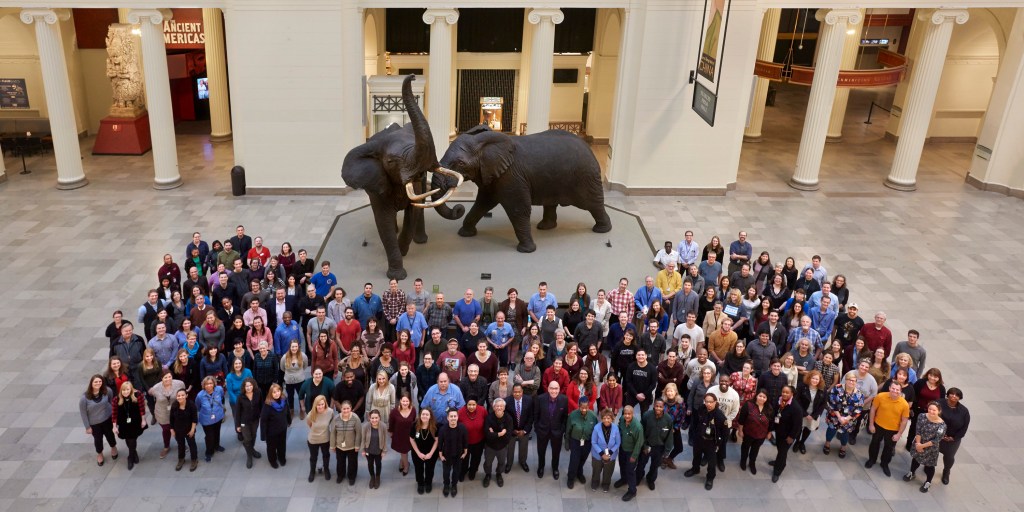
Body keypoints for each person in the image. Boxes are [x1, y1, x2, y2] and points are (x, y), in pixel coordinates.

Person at [865, 381, 910, 477]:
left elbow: (904, 421)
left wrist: (899, 434)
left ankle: (884, 464)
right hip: (878, 425)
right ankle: (871, 460)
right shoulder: (880, 396)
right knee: (874, 444)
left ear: (900, 391)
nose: (895, 391)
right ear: (889, 388)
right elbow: (873, 409)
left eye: (897, 389)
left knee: (889, 448)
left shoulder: (904, 404)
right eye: (893, 388)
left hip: (893, 430)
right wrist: (871, 424)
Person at [903, 401, 946, 492]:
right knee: (915, 459)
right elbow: (918, 430)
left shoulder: (942, 425)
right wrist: (918, 445)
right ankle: (912, 473)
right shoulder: (922, 416)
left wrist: (922, 446)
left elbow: (936, 440)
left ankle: (928, 482)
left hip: (930, 448)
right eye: (930, 409)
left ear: (939, 411)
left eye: (934, 410)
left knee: (929, 466)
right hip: (919, 442)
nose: (931, 411)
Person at [685, 393, 725, 490]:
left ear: (715, 402)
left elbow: (724, 432)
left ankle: (710, 478)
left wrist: (718, 444)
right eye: (707, 401)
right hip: (699, 439)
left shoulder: (719, 416)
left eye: (711, 402)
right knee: (696, 456)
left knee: (711, 463)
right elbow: (695, 422)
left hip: (711, 442)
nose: (708, 404)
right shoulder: (702, 409)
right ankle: (695, 469)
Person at [636, 398, 673, 491]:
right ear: (653, 406)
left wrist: (667, 450)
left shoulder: (668, 419)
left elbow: (669, 436)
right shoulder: (646, 416)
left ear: (663, 407)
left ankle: (650, 479)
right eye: (656, 406)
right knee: (641, 464)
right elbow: (641, 432)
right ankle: (638, 477)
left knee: (655, 465)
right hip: (647, 445)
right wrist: (644, 446)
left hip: (659, 447)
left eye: (660, 407)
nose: (658, 408)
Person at [534, 381, 569, 480]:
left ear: (559, 389)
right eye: (552, 388)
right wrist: (537, 428)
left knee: (556, 452)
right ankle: (541, 467)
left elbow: (565, 417)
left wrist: (562, 430)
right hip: (542, 431)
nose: (554, 391)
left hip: (557, 432)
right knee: (541, 451)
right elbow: (535, 415)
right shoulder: (540, 398)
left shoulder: (564, 399)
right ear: (548, 389)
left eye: (556, 388)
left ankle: (555, 468)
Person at [80, 375, 118, 466]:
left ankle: (113, 448)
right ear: (91, 383)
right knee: (98, 439)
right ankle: (100, 454)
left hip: (107, 419)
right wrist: (87, 427)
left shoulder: (107, 391)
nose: (98, 383)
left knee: (110, 435)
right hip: (95, 423)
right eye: (96, 382)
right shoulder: (84, 398)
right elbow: (83, 413)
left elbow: (111, 401)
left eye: (100, 381)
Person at [769, 385, 803, 483]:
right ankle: (778, 462)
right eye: (783, 392)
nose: (784, 394)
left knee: (782, 453)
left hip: (788, 435)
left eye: (787, 392)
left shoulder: (796, 408)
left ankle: (777, 471)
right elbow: (774, 414)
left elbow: (797, 425)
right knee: (780, 449)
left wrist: (792, 437)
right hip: (779, 432)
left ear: (792, 394)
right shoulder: (778, 401)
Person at [111, 381, 147, 470]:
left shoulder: (138, 395)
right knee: (128, 439)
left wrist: (143, 420)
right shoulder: (116, 399)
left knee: (132, 439)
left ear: (131, 390)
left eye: (127, 389)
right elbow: (114, 414)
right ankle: (133, 453)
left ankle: (130, 457)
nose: (125, 392)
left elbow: (142, 409)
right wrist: (114, 426)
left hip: (135, 422)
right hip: (123, 423)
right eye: (123, 390)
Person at [735, 388, 772, 474]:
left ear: (766, 399)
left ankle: (752, 463)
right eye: (760, 396)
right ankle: (743, 461)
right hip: (748, 433)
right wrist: (740, 431)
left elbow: (771, 422)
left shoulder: (769, 408)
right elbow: (741, 419)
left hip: (761, 435)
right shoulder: (748, 405)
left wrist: (769, 433)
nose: (761, 398)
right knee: (745, 448)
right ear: (756, 396)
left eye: (764, 397)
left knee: (755, 450)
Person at [613, 405, 644, 501]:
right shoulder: (622, 419)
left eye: (629, 414)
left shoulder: (637, 427)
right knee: (622, 465)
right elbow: (619, 429)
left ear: (633, 414)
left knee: (630, 471)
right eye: (625, 413)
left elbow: (639, 443)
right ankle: (623, 479)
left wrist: (634, 456)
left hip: (631, 452)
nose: (626, 416)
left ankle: (632, 491)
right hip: (622, 449)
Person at [939, 388, 969, 485]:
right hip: (937, 436)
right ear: (947, 395)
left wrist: (954, 438)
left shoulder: (964, 411)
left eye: (957, 395)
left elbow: (964, 427)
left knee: (949, 457)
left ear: (960, 398)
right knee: (931, 452)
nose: (954, 396)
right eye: (951, 394)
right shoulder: (938, 403)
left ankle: (946, 471)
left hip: (952, 439)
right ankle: (928, 466)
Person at [482, 398, 514, 488]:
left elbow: (508, 436)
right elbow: (487, 434)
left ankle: (498, 474)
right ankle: (488, 475)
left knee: (501, 462)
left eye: (501, 406)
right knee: (488, 463)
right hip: (490, 446)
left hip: (502, 447)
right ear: (493, 407)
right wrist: (500, 434)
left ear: (504, 408)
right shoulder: (489, 418)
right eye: (497, 406)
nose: (499, 408)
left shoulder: (508, 419)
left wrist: (493, 433)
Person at [329, 400, 363, 485]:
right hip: (339, 446)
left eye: (348, 408)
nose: (346, 410)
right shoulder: (336, 419)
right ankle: (340, 475)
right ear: (341, 409)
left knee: (352, 463)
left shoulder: (355, 418)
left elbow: (358, 433)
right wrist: (332, 445)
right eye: (344, 409)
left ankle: (352, 477)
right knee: (340, 462)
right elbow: (333, 432)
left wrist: (357, 445)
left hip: (352, 446)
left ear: (351, 408)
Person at [794, 370, 828, 454]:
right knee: (798, 429)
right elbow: (797, 400)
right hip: (801, 413)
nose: (815, 381)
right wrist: (805, 414)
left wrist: (813, 415)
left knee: (808, 428)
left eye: (817, 379)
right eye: (813, 378)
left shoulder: (823, 389)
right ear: (809, 378)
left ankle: (802, 443)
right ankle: (797, 442)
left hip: (813, 414)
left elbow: (823, 403)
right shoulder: (802, 386)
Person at [233, 377, 262, 468]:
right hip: (244, 422)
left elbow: (261, 405)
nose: (248, 388)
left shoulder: (258, 393)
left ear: (253, 385)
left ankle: (252, 450)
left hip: (255, 420)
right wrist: (237, 425)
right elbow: (237, 412)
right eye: (246, 386)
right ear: (244, 387)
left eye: (250, 385)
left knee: (253, 436)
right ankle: (249, 456)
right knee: (247, 439)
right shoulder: (240, 397)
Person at [590, 408, 621, 493]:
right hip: (597, 454)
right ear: (601, 418)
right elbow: (594, 442)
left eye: (608, 418)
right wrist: (601, 454)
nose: (606, 420)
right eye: (604, 418)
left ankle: (606, 484)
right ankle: (595, 483)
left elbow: (618, 443)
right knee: (596, 470)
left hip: (611, 455)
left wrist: (610, 453)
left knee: (608, 471)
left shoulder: (615, 429)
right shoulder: (596, 428)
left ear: (612, 419)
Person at [438, 408, 468, 496]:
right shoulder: (443, 429)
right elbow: (440, 443)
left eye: (455, 416)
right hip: (446, 455)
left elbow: (465, 441)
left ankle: (454, 485)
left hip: (458, 455)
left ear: (457, 417)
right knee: (446, 472)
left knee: (456, 472)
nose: (453, 418)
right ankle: (446, 485)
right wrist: (440, 455)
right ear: (448, 418)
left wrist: (465, 452)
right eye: (451, 416)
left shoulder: (462, 428)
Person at [195, 376, 225, 462]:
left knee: (217, 432)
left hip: (218, 416)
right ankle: (209, 451)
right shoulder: (200, 395)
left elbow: (222, 398)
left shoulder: (219, 389)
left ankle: (217, 446)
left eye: (211, 383)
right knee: (209, 436)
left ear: (214, 384)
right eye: (206, 384)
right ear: (203, 385)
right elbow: (198, 406)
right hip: (206, 419)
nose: (209, 385)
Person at [306, 395, 335, 482]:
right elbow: (310, 425)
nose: (320, 406)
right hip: (313, 439)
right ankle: (312, 471)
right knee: (313, 457)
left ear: (325, 403)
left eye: (322, 404)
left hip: (325, 439)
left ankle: (326, 469)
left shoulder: (330, 412)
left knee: (326, 455)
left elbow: (331, 423)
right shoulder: (311, 414)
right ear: (315, 405)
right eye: (318, 405)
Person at [507, 384, 534, 473]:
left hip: (524, 429)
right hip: (512, 430)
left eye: (519, 392)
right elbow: (506, 419)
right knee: (510, 448)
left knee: (523, 447)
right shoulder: (507, 401)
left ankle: (523, 462)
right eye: (515, 392)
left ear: (522, 392)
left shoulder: (529, 400)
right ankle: (509, 463)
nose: (517, 394)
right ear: (512, 392)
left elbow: (530, 417)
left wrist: (525, 430)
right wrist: (512, 430)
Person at [457, 398, 486, 482]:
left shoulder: (482, 410)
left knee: (476, 458)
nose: (471, 407)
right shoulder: (461, 412)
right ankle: (462, 472)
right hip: (464, 443)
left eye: (473, 405)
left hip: (478, 441)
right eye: (469, 405)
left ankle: (472, 472)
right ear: (466, 404)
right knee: (463, 459)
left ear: (477, 404)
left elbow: (486, 421)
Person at [389, 394, 417, 476]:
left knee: (404, 451)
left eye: (407, 401)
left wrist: (416, 435)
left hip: (409, 435)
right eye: (403, 401)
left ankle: (404, 464)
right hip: (399, 434)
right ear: (400, 401)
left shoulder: (413, 410)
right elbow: (391, 424)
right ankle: (406, 465)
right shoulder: (394, 411)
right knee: (403, 451)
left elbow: (414, 422)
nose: (405, 403)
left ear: (410, 402)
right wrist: (391, 433)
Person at [362, 409, 388, 489]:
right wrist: (363, 450)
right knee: (370, 464)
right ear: (369, 418)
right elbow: (363, 438)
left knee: (378, 464)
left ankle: (377, 477)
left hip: (378, 450)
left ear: (379, 418)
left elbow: (385, 439)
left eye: (376, 418)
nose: (374, 420)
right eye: (372, 418)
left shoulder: (383, 426)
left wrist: (384, 450)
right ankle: (372, 477)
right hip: (368, 450)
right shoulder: (366, 426)